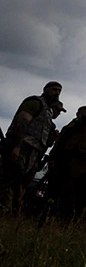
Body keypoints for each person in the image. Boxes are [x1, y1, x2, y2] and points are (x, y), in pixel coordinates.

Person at [1, 81, 65, 214]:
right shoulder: (35, 102)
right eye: (54, 89)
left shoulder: (47, 111)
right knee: (9, 180)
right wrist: (17, 147)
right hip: (21, 147)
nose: (57, 93)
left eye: (59, 90)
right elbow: (21, 123)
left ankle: (11, 213)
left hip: (32, 153)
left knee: (20, 183)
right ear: (46, 89)